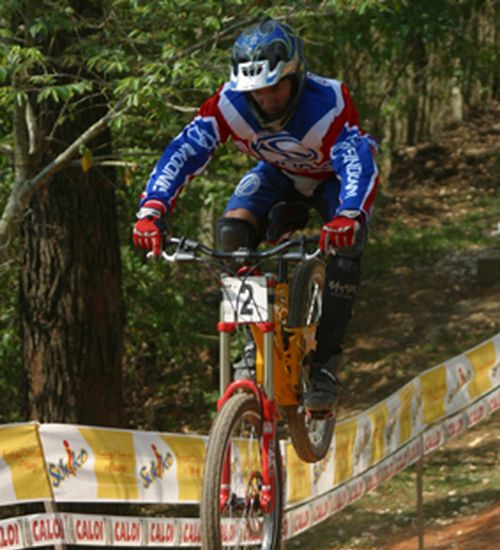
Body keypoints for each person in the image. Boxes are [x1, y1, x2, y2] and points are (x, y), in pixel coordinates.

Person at [133, 17, 379, 414]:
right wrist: (152, 209)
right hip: (278, 175)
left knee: (350, 246)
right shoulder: (229, 105)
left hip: (330, 178)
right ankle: (253, 344)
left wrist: (350, 214)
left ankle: (326, 367)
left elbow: (355, 159)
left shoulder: (328, 101)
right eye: (256, 93)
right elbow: (185, 150)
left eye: (274, 89)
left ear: (295, 77)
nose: (265, 100)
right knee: (232, 233)